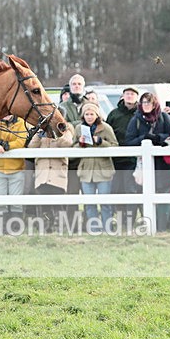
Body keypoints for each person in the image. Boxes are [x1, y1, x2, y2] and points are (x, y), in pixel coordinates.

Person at [125, 91, 170, 231]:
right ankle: (148, 225)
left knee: (162, 194)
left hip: (162, 165)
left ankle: (162, 226)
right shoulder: (136, 120)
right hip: (143, 166)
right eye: (144, 102)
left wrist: (157, 138)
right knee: (143, 194)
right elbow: (128, 142)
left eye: (149, 102)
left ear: (154, 104)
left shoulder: (163, 118)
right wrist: (144, 138)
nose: (146, 105)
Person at [76, 102, 117, 232]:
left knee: (105, 202)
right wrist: (80, 144)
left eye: (91, 114)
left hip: (103, 169)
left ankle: (108, 228)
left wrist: (101, 142)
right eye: (86, 114)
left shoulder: (106, 128)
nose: (89, 116)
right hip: (86, 170)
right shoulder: (78, 128)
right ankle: (94, 229)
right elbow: (71, 148)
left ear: (97, 115)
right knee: (89, 203)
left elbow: (115, 146)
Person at [28, 126, 74, 233]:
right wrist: (39, 135)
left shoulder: (66, 130)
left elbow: (67, 144)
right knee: (44, 205)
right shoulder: (41, 131)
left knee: (59, 204)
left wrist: (58, 133)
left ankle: (60, 229)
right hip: (42, 174)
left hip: (57, 174)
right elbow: (31, 147)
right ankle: (45, 228)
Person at [0, 115, 27, 223]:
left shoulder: (20, 122)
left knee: (16, 202)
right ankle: (1, 229)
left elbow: (21, 142)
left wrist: (4, 146)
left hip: (16, 168)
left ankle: (16, 227)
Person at [105, 85, 140, 226]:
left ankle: (131, 220)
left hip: (133, 159)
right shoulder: (114, 114)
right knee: (115, 190)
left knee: (130, 189)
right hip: (116, 159)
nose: (129, 96)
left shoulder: (139, 114)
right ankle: (118, 219)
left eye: (132, 94)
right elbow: (107, 131)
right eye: (127, 94)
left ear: (136, 97)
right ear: (123, 96)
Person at [57, 74, 86, 224]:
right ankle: (72, 225)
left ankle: (89, 224)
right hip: (71, 157)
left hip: (88, 156)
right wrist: (81, 123)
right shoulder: (63, 107)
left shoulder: (90, 103)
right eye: (74, 84)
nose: (76, 86)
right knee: (72, 193)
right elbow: (62, 127)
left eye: (79, 84)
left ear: (83, 86)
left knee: (89, 195)